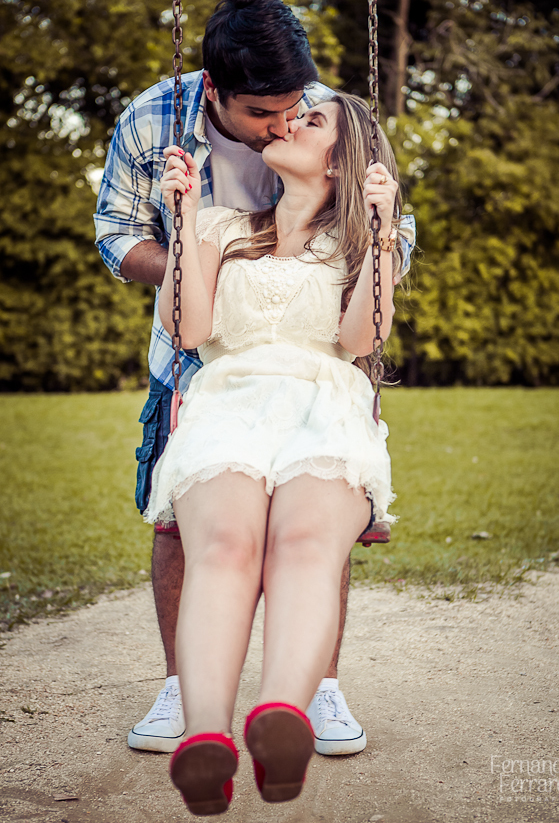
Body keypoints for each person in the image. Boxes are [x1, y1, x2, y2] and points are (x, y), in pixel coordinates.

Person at [94, 0, 410, 757]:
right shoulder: (155, 124)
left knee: (310, 528)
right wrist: (199, 253)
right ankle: (189, 692)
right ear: (213, 91)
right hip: (209, 370)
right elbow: (118, 236)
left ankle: (313, 688)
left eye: (296, 113)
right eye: (263, 114)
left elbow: (380, 260)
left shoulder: (323, 116)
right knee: (196, 531)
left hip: (319, 375)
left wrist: (370, 236)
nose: (283, 125)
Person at [147, 90, 415, 814]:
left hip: (324, 407)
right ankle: (207, 738)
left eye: (313, 120)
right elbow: (190, 329)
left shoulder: (360, 241)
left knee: (303, 547)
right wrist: (182, 218)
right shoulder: (222, 226)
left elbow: (360, 340)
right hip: (228, 405)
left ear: (341, 161)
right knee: (224, 548)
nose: (292, 121)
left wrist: (382, 233)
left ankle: (281, 719)